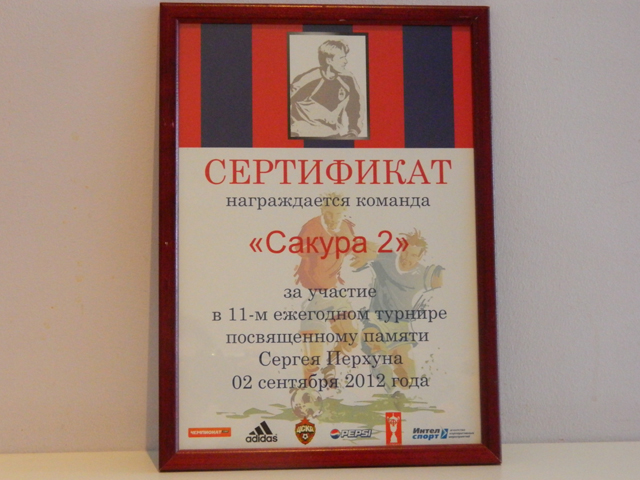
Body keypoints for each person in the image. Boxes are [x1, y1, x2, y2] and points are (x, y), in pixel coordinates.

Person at [350, 230, 444, 394]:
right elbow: (362, 247)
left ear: (420, 256)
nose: (407, 258)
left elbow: (441, 283)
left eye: (413, 255)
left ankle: (398, 392)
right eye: (405, 252)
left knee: (407, 380)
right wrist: (358, 257)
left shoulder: (423, 274)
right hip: (376, 320)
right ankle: (388, 386)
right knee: (376, 347)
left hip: (401, 327)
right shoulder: (386, 258)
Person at [294, 194, 358, 381]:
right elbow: (300, 249)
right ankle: (306, 387)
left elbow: (351, 249)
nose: (334, 218)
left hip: (335, 293)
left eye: (338, 213)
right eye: (329, 213)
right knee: (313, 358)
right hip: (313, 295)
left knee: (351, 339)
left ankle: (330, 366)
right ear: (322, 211)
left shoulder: (346, 227)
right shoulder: (311, 227)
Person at [290, 40, 364, 139]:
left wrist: (353, 131)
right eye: (341, 58)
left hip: (332, 135)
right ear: (329, 60)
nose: (346, 61)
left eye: (345, 57)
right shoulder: (308, 79)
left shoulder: (347, 79)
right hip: (304, 135)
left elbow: (355, 105)